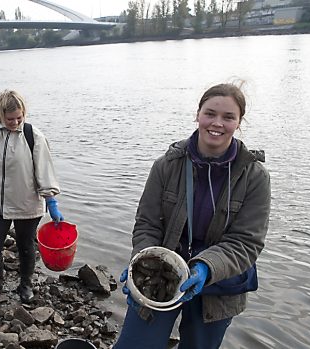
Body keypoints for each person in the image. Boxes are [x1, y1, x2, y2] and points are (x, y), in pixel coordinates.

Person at [114, 83, 271, 348]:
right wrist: (138, 265)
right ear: (197, 114)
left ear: (239, 122)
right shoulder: (167, 165)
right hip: (162, 274)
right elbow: (147, 224)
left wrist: (205, 267)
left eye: (228, 117)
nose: (217, 123)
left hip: (221, 282)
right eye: (210, 113)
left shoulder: (254, 177)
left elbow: (246, 243)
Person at [0, 89, 64, 304]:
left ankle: (25, 284)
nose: (15, 122)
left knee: (26, 246)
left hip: (26, 204)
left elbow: (44, 170)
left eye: (19, 117)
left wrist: (51, 202)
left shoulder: (33, 136)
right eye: (10, 119)